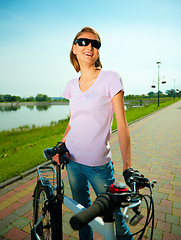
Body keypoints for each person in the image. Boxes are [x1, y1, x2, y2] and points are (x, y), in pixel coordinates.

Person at [52, 27, 143, 240]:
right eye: (83, 42)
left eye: (95, 44)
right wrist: (62, 143)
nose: (89, 47)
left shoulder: (110, 78)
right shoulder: (71, 85)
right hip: (72, 162)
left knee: (116, 223)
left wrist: (127, 165)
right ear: (74, 48)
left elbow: (122, 125)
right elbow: (74, 121)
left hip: (98, 166)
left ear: (98, 51)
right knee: (82, 214)